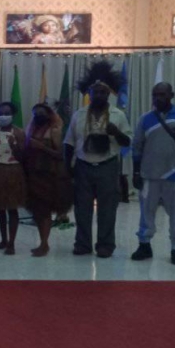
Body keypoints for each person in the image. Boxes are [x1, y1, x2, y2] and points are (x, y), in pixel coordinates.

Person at [131, 83, 175, 266]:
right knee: (146, 213)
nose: (157, 98)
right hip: (149, 175)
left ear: (171, 95)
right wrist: (136, 172)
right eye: (155, 95)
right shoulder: (145, 119)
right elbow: (136, 147)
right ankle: (144, 245)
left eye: (162, 94)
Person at [65, 79, 132, 258]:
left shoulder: (118, 115)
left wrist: (116, 132)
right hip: (83, 166)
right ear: (90, 94)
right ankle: (83, 244)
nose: (100, 95)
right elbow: (69, 143)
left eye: (104, 92)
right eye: (97, 92)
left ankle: (105, 245)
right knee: (82, 208)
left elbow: (128, 142)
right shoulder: (79, 115)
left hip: (107, 166)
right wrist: (67, 168)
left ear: (108, 94)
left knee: (107, 208)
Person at [25, 103, 73, 257]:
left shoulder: (55, 130)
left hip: (50, 175)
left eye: (41, 113)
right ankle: (42, 242)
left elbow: (60, 155)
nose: (38, 116)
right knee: (38, 212)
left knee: (44, 211)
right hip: (34, 174)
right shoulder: (32, 129)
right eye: (35, 113)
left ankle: (44, 244)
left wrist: (41, 147)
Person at [0, 102, 26, 255]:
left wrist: (14, 146)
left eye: (6, 113)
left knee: (12, 208)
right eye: (0, 113)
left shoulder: (19, 133)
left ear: (13, 115)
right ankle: (3, 240)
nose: (3, 116)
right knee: (0, 208)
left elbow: (23, 157)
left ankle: (12, 243)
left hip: (12, 172)